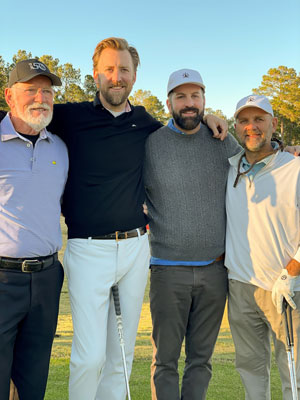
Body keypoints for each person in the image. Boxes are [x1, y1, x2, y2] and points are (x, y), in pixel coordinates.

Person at [45, 38, 227, 400]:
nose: (117, 77)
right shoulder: (71, 117)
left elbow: (181, 125)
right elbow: (24, 114)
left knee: (122, 356)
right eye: (109, 69)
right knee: (89, 357)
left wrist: (207, 116)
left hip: (135, 249)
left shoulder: (145, 122)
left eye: (124, 70)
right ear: (96, 74)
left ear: (134, 76)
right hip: (86, 247)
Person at [144, 68, 241, 400]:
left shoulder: (223, 141)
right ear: (169, 101)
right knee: (165, 361)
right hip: (167, 270)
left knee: (201, 361)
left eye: (195, 96)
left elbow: (255, 165)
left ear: (204, 100)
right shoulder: (151, 144)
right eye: (181, 96)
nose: (189, 104)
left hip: (216, 271)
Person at [0, 59, 68, 400]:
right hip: (1, 278)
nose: (40, 97)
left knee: (33, 382)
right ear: (10, 96)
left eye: (47, 90)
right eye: (30, 90)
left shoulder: (60, 147)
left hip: (46, 278)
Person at [225, 94, 300, 399]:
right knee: (251, 372)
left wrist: (291, 271)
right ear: (236, 126)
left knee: (293, 373)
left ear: (274, 123)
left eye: (259, 119)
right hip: (240, 288)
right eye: (244, 120)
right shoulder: (230, 167)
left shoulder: (293, 167)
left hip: (288, 288)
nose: (251, 127)